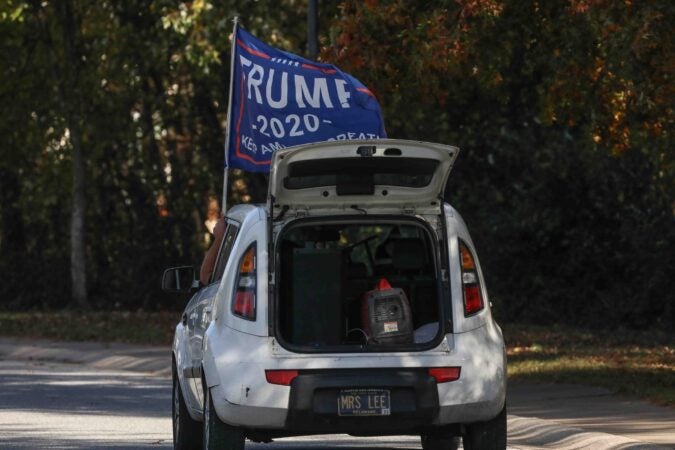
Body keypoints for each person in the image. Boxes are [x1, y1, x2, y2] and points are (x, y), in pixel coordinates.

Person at [200, 215, 226, 285]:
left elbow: (205, 277)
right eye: (211, 211)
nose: (212, 213)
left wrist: (219, 239)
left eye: (215, 211)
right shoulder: (205, 226)